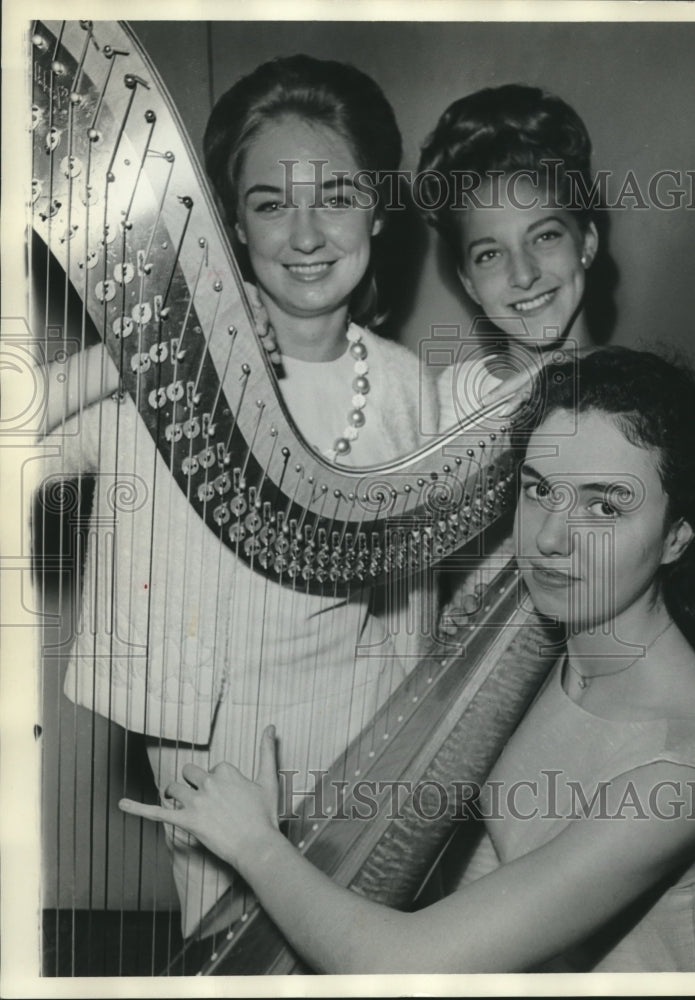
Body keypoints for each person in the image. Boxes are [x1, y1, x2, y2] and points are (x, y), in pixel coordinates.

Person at [120, 347, 695, 973]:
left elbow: (400, 962)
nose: (548, 539)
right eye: (540, 490)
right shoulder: (552, 644)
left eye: (604, 505)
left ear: (679, 534)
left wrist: (258, 844)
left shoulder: (687, 773)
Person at [38, 54, 439, 940]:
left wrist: (406, 764)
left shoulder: (409, 384)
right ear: (231, 222)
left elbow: (409, 605)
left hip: (355, 735)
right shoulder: (160, 377)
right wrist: (137, 352)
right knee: (227, 955)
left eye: (335, 196)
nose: (304, 235)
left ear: (376, 206)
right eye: (269, 203)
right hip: (203, 750)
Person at [416, 84, 605, 430]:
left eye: (545, 237)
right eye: (489, 255)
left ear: (587, 243)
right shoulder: (448, 401)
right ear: (468, 282)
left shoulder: (645, 388)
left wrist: (576, 368)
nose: (523, 275)